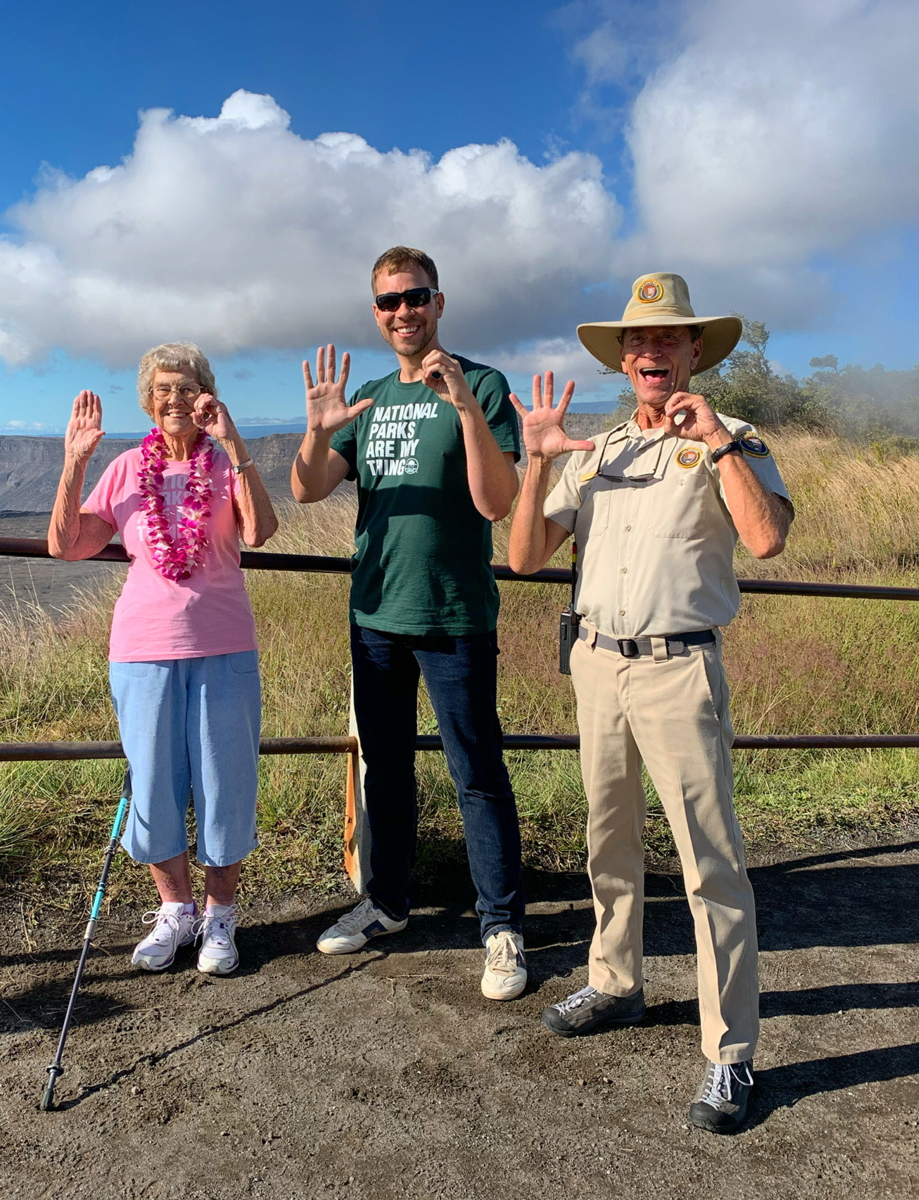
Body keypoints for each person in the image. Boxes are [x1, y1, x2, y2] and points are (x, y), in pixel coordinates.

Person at [507, 272, 794, 1133]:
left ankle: (730, 1055)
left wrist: (717, 443)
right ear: (622, 362)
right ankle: (615, 981)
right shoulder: (591, 454)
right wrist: (537, 462)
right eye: (638, 342)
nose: (651, 351)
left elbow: (769, 537)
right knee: (608, 838)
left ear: (695, 351)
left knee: (711, 864)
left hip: (679, 670)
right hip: (597, 664)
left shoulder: (731, 437)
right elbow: (524, 557)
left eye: (669, 338)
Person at [291, 246, 528, 1001]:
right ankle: (387, 903)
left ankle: (502, 927)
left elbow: (497, 503)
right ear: (376, 314)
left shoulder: (482, 385)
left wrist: (460, 402)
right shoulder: (366, 396)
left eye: (415, 297)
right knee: (384, 769)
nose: (404, 312)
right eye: (390, 302)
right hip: (375, 616)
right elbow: (307, 489)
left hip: (454, 614)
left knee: (477, 773)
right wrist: (316, 430)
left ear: (439, 302)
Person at [48, 342, 278, 976]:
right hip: (142, 648)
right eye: (163, 391)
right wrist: (74, 462)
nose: (175, 400)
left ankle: (220, 915)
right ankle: (173, 909)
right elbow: (67, 545)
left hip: (224, 643)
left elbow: (260, 533)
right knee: (152, 781)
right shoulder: (125, 468)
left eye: (187, 388)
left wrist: (233, 443)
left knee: (224, 781)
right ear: (149, 403)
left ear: (207, 395)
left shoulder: (225, 465)